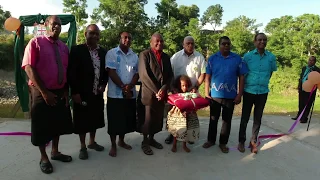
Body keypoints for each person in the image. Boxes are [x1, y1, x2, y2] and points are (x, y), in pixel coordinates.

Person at [21, 15, 73, 174]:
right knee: (41, 126)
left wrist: (65, 90)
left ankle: (55, 152)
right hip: (40, 90)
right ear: (46, 25)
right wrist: (44, 92)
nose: (57, 27)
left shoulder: (64, 47)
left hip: (59, 91)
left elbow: (66, 70)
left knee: (58, 123)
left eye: (59, 24)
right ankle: (44, 157)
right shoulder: (35, 42)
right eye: (54, 24)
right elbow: (29, 68)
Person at [68, 24, 108, 160]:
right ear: (85, 34)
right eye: (91, 33)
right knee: (81, 120)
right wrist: (75, 92)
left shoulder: (103, 52)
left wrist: (103, 84)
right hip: (82, 93)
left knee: (95, 118)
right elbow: (71, 73)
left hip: (96, 93)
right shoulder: (77, 50)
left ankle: (92, 142)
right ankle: (83, 146)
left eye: (97, 34)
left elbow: (105, 72)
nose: (95, 36)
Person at [204, 36, 248, 153]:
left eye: (228, 44)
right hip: (215, 95)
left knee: (226, 121)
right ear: (219, 45)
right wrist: (206, 92)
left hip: (230, 96)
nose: (226, 46)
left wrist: (240, 94)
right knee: (213, 119)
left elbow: (242, 77)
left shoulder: (238, 59)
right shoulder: (212, 59)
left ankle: (223, 143)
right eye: (224, 44)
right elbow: (207, 77)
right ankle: (211, 140)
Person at [238, 33, 277, 154]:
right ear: (255, 42)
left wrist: (262, 82)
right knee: (245, 117)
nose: (262, 42)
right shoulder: (248, 56)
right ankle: (241, 141)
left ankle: (253, 141)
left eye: (264, 40)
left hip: (262, 92)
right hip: (249, 91)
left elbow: (270, 73)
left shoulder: (271, 57)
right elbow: (242, 75)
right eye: (259, 40)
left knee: (257, 118)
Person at [165, 36, 206, 145]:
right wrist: (172, 88)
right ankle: (172, 134)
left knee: (191, 114)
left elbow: (203, 74)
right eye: (187, 43)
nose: (190, 45)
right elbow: (169, 73)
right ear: (183, 44)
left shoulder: (199, 57)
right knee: (174, 115)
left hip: (191, 91)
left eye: (192, 43)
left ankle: (189, 135)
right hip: (177, 92)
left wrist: (196, 86)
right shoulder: (175, 57)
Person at [137, 33, 173, 155]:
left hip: (161, 94)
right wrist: (156, 91)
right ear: (151, 42)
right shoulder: (145, 55)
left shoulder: (166, 57)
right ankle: (145, 142)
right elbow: (144, 75)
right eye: (157, 41)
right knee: (148, 119)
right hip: (149, 93)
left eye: (161, 41)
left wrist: (163, 89)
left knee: (157, 119)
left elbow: (170, 76)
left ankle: (152, 139)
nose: (159, 43)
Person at [105, 32, 139, 157]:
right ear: (120, 39)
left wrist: (129, 87)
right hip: (115, 94)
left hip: (129, 94)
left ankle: (121, 141)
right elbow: (111, 72)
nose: (127, 39)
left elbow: (136, 73)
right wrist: (122, 87)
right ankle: (113, 145)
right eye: (125, 37)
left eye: (130, 38)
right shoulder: (112, 53)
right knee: (114, 121)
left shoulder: (134, 56)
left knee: (125, 120)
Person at [168, 75, 200, 153]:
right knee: (177, 130)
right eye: (182, 85)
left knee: (186, 130)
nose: (184, 88)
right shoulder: (176, 94)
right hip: (178, 115)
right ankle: (174, 144)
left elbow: (193, 103)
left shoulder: (190, 93)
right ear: (179, 85)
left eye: (186, 85)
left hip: (188, 114)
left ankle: (184, 145)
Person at [291, 56, 320, 123]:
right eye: (309, 60)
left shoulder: (317, 70)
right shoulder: (304, 68)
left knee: (308, 104)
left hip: (311, 90)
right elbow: (301, 77)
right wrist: (299, 86)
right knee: (301, 103)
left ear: (315, 62)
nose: (310, 61)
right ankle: (299, 116)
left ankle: (304, 118)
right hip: (302, 88)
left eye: (312, 60)